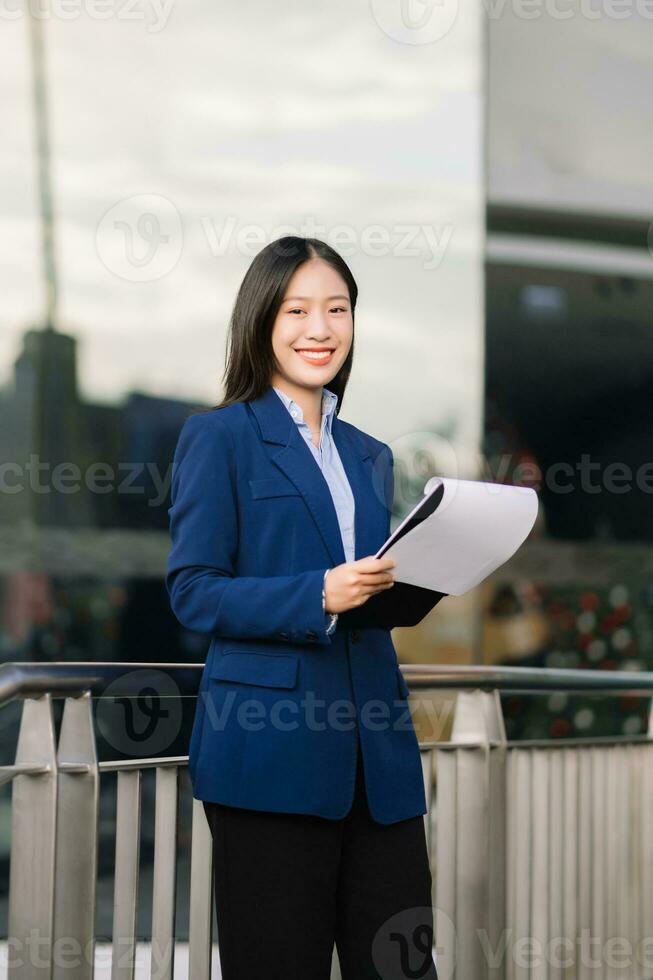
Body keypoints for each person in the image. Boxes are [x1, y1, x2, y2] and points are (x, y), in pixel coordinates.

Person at [166, 236, 443, 979]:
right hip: (271, 759)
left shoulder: (369, 453)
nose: (318, 328)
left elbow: (369, 591)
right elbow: (192, 589)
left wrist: (420, 578)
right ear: (261, 321)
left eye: (337, 309)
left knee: (401, 968)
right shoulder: (219, 438)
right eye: (297, 309)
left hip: (377, 765)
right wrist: (317, 593)